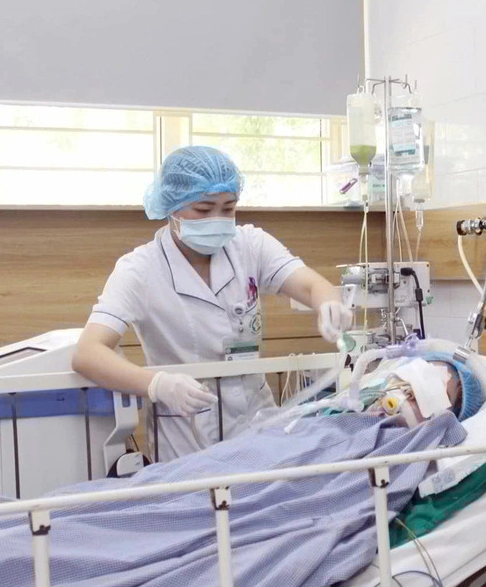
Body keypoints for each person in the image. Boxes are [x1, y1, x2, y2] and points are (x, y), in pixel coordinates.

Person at [72, 145, 352, 460]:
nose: (217, 219)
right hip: (187, 438)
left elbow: (313, 285)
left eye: (229, 208)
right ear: (171, 207)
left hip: (258, 423)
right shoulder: (139, 269)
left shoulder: (250, 245)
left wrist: (329, 303)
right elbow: (88, 354)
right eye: (203, 210)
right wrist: (158, 385)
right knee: (205, 504)